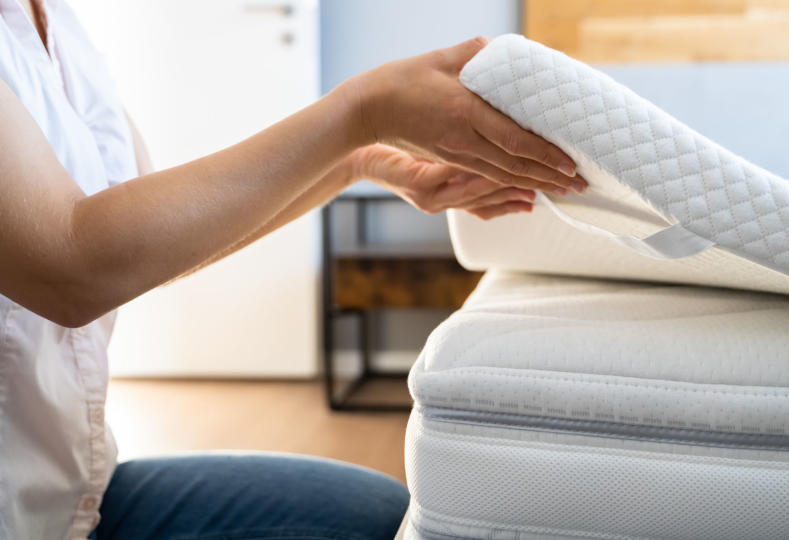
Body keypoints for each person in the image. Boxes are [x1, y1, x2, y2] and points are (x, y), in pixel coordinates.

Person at [0, 0, 585, 539]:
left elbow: (142, 238)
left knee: (381, 517)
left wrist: (359, 161)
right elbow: (73, 267)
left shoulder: (55, 22)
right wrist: (361, 113)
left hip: (76, 494)